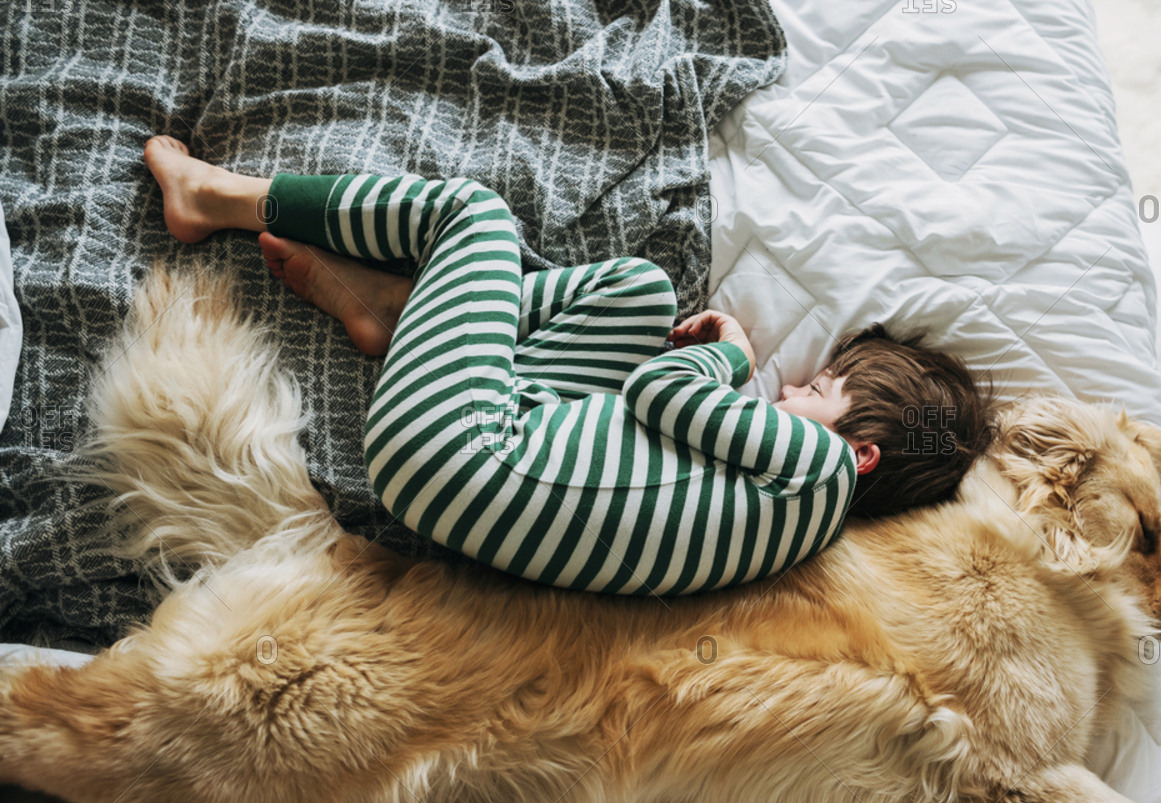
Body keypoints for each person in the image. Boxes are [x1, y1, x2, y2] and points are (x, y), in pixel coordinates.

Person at [142, 136, 993, 596]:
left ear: (862, 451)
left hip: (456, 447)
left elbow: (659, 391)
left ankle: (214, 194)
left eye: (815, 391)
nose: (787, 388)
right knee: (640, 291)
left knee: (471, 215)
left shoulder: (814, 464)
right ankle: (406, 313)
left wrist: (727, 359)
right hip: (493, 474)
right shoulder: (793, 536)